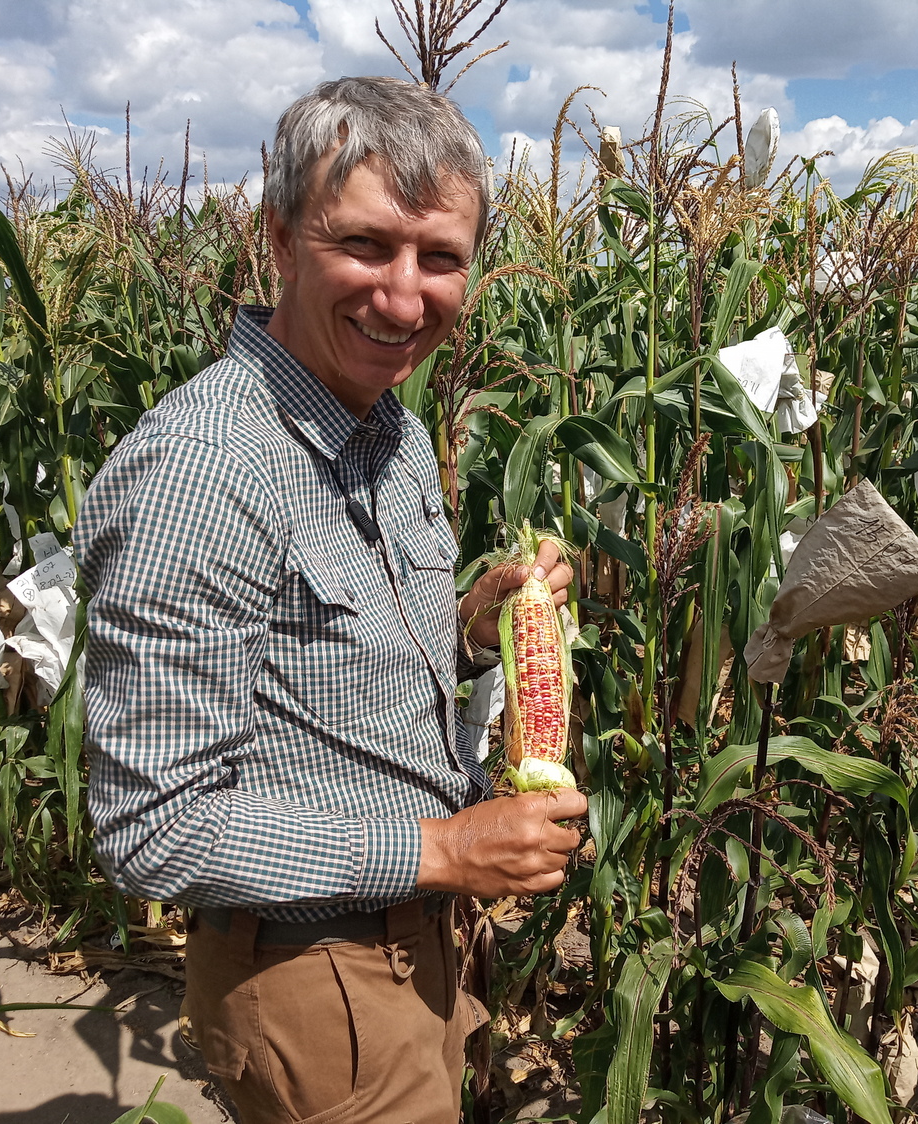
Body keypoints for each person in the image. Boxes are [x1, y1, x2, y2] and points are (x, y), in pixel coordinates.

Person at [72, 75, 588, 1123]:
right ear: (277, 237)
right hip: (317, 978)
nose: (403, 297)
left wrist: (477, 630)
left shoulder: (384, 424)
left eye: (438, 257)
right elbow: (149, 826)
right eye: (363, 245)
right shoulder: (203, 471)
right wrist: (444, 848)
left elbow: (320, 665)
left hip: (417, 947)